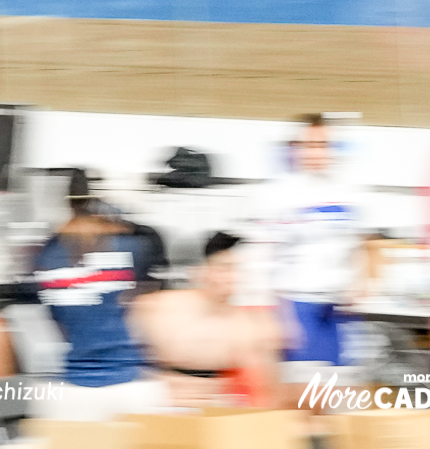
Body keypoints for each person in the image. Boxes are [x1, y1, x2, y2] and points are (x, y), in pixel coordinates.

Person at [31, 171, 165, 420]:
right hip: (131, 382)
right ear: (98, 198)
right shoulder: (133, 244)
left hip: (73, 387)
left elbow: (56, 321)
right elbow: (149, 302)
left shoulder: (45, 254)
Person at [246, 115, 370, 381]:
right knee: (303, 392)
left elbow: (359, 245)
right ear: (296, 149)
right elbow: (262, 259)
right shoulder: (276, 194)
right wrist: (270, 316)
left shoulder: (349, 191)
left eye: (323, 144)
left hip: (337, 310)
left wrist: (360, 282)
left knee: (342, 390)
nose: (317, 152)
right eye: (310, 145)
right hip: (298, 306)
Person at [133, 231, 279, 409]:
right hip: (159, 404)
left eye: (239, 269)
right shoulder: (156, 308)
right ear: (198, 270)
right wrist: (158, 389)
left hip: (217, 409)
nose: (233, 277)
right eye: (224, 268)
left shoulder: (251, 324)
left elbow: (266, 388)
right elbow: (121, 363)